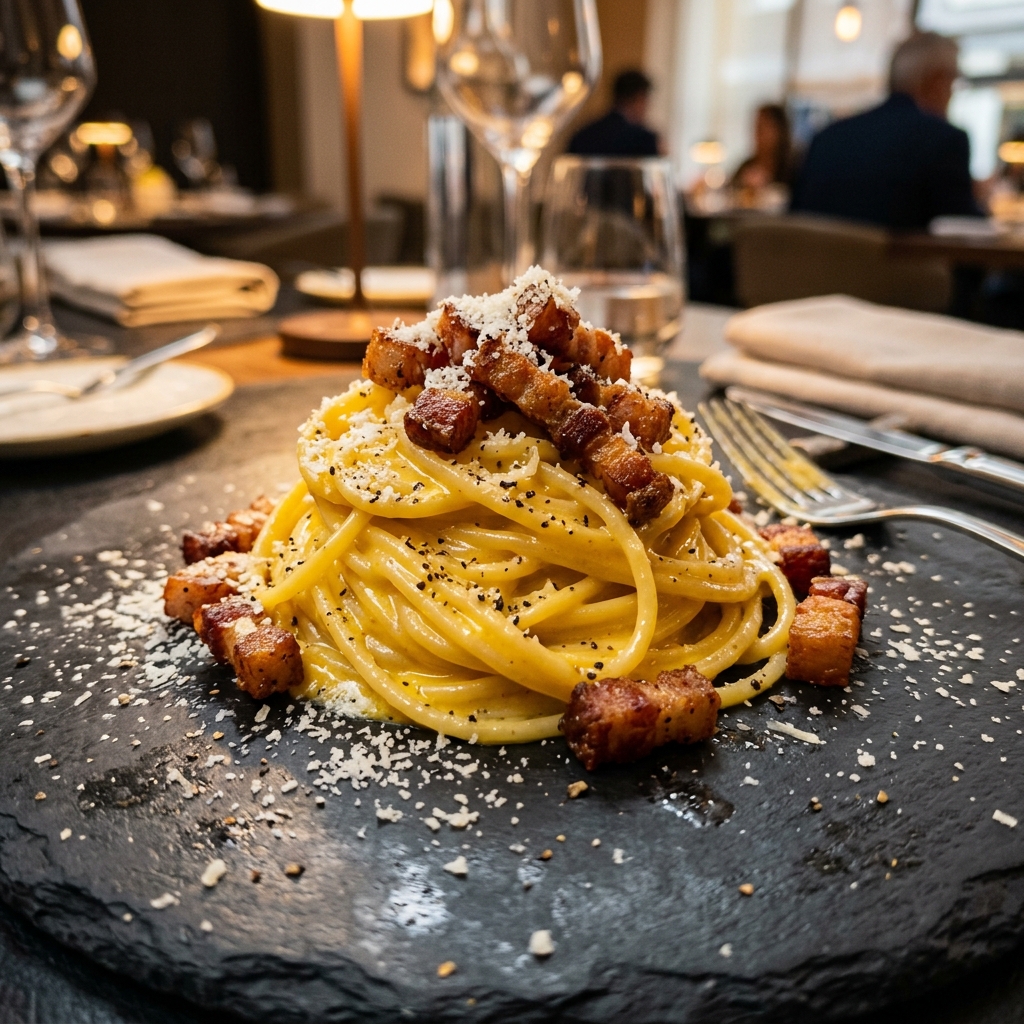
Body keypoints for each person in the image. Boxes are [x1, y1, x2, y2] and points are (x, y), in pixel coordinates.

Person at [791, 32, 982, 230]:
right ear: (936, 80)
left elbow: (793, 220)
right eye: (953, 82)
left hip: (813, 260)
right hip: (896, 262)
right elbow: (964, 231)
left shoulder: (827, 137)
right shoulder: (944, 140)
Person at [568, 69, 661, 157]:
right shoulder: (645, 140)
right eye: (646, 101)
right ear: (639, 98)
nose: (648, 108)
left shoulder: (582, 135)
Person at [732, 104, 793, 190]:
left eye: (762, 128)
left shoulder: (792, 170)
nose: (756, 134)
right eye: (755, 127)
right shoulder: (747, 167)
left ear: (779, 131)